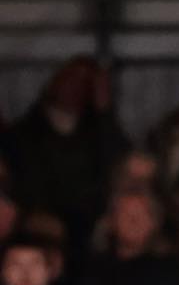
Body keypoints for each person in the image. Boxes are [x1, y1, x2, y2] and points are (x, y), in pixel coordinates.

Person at [0, 56, 128, 252]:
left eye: (85, 82)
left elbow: (117, 161)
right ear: (55, 82)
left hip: (87, 228)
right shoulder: (24, 133)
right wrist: (32, 216)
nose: (75, 87)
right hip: (36, 224)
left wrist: (104, 113)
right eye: (71, 79)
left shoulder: (97, 131)